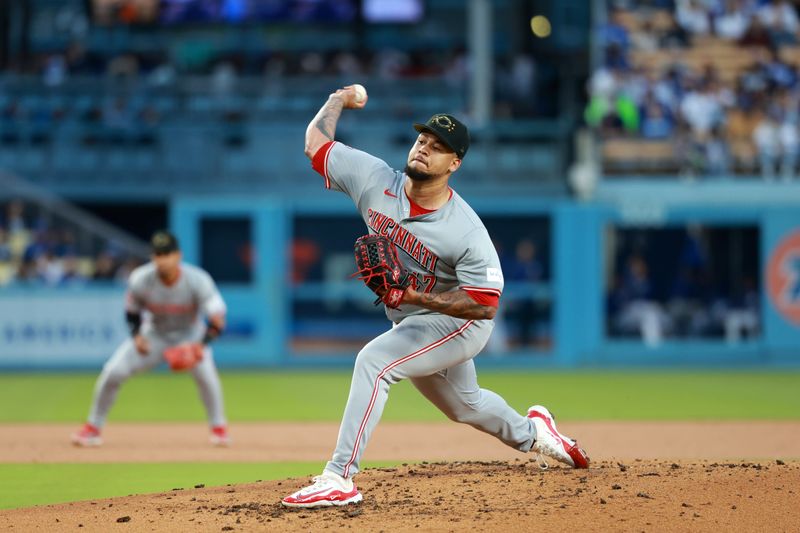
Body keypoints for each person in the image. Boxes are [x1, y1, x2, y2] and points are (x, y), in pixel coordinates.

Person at [281, 85, 589, 509]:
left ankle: (339, 477)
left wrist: (412, 295)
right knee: (466, 406)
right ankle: (536, 433)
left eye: (439, 147)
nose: (425, 148)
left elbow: (485, 304)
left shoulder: (464, 229)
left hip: (462, 323)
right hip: (413, 319)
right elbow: (315, 143)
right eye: (423, 139)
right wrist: (337, 100)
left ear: (454, 163)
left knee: (375, 361)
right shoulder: (374, 178)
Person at [71, 230, 231, 447]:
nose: (162, 259)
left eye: (167, 253)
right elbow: (132, 313)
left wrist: (201, 346)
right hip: (154, 334)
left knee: (207, 377)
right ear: (153, 257)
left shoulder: (198, 280)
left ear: (178, 255)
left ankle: (219, 428)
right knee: (113, 371)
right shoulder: (140, 279)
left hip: (190, 336)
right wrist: (137, 336)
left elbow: (218, 319)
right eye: (158, 254)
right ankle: (93, 428)